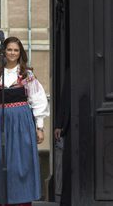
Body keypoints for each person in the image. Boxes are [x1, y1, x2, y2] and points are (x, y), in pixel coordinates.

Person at [0, 37, 49, 206]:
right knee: (0, 160)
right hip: (0, 120)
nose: (12, 53)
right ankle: (1, 198)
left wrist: (40, 127)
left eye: (16, 50)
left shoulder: (26, 74)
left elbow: (38, 100)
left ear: (20, 53)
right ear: (4, 52)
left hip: (22, 121)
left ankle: (20, 199)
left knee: (20, 163)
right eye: (9, 49)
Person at [54, 69, 71, 206]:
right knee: (67, 165)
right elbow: (65, 97)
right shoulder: (71, 71)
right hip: (71, 125)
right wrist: (59, 124)